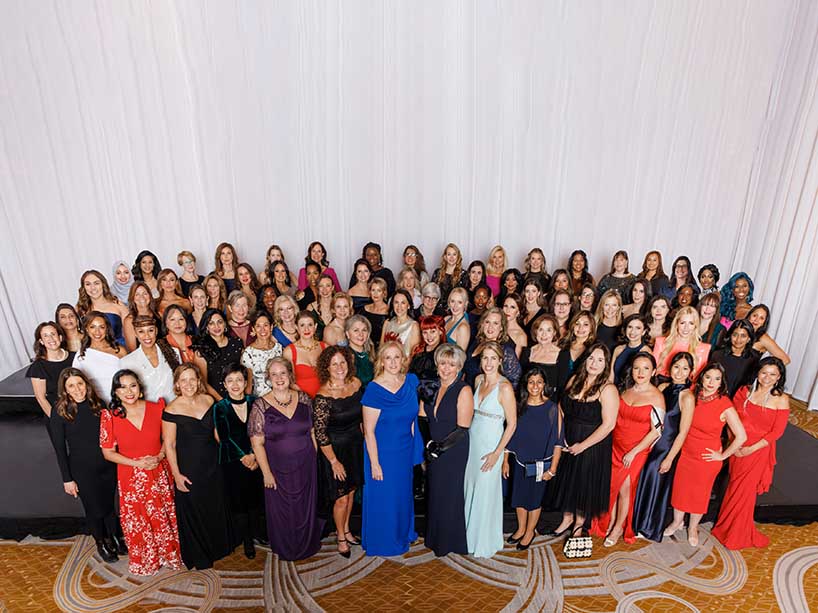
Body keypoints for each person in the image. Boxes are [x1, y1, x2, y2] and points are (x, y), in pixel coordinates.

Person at [100, 370, 182, 575]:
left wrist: (159, 456)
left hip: (158, 471)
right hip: (131, 477)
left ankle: (169, 555)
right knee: (139, 519)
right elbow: (108, 453)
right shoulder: (109, 416)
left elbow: (168, 440)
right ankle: (147, 559)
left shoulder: (158, 408)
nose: (129, 391)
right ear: (116, 392)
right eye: (123, 387)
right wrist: (136, 463)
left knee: (163, 514)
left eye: (133, 385)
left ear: (140, 387)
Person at [249, 357, 324, 561]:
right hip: (277, 469)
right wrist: (266, 473)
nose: (279, 378)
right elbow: (257, 444)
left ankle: (307, 543)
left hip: (306, 464)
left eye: (283, 373)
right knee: (282, 510)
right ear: (268, 378)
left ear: (290, 375)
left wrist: (314, 458)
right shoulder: (260, 405)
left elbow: (311, 432)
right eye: (274, 374)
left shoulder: (304, 399)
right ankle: (287, 547)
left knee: (305, 506)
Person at [711, 357, 790, 549]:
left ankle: (736, 534)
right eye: (764, 372)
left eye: (773, 374)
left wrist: (750, 449)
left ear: (779, 377)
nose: (767, 377)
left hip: (758, 451)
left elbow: (777, 432)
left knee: (744, 493)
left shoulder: (781, 399)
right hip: (737, 446)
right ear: (757, 372)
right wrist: (734, 444)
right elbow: (732, 419)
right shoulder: (744, 391)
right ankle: (725, 527)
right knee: (733, 487)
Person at [665, 362, 747, 546]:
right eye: (708, 377)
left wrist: (723, 456)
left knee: (699, 494)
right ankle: (677, 521)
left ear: (721, 383)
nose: (711, 382)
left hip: (707, 458)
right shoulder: (692, 395)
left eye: (717, 379)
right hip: (686, 453)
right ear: (701, 377)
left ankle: (693, 527)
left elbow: (741, 436)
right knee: (680, 489)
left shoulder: (724, 404)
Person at [163, 364, 235, 570]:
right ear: (177, 383)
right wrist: (176, 475)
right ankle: (200, 553)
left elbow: (217, 434)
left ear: (198, 380)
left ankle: (219, 546)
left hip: (213, 463)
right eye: (183, 380)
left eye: (192, 379)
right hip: (189, 467)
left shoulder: (209, 400)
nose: (188, 384)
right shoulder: (171, 409)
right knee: (195, 509)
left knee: (214, 504)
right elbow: (170, 445)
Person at [590, 354, 664, 545]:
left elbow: (656, 432)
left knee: (625, 489)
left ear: (653, 372)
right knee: (611, 486)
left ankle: (617, 529)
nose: (640, 372)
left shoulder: (656, 397)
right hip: (616, 446)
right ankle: (609, 522)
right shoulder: (625, 391)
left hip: (637, 450)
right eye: (637, 368)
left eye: (646, 368)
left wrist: (634, 452)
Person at [50, 368, 121, 562]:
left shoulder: (99, 405)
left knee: (109, 504)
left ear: (86, 384)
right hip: (82, 469)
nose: (77, 389)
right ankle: (101, 541)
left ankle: (114, 536)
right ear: (65, 389)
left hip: (107, 465)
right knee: (94, 508)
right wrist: (67, 479)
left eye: (80, 383)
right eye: (71, 386)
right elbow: (59, 449)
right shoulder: (60, 412)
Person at [361, 341, 424, 556]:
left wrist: (417, 453)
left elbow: (413, 420)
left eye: (397, 357)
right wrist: (375, 463)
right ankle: (384, 541)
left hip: (404, 451)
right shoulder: (374, 389)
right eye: (388, 358)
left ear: (403, 359)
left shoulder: (410, 382)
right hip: (382, 453)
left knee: (402, 495)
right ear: (381, 361)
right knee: (384, 498)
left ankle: (403, 533)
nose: (393, 362)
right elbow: (369, 432)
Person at [551, 344, 619, 539]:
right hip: (568, 439)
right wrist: (560, 436)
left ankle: (579, 524)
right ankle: (567, 518)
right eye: (591, 358)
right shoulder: (574, 380)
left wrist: (583, 446)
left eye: (600, 360)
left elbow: (609, 425)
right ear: (585, 359)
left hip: (592, 445)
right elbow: (561, 408)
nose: (594, 364)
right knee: (568, 481)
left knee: (583, 484)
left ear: (606, 364)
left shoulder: (608, 388)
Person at [632, 352, 695, 541]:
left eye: (685, 368)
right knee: (642, 480)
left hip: (667, 447)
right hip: (650, 440)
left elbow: (683, 432)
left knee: (655, 484)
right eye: (677, 366)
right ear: (670, 367)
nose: (679, 372)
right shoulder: (662, 386)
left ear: (691, 372)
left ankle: (648, 527)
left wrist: (669, 458)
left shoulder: (688, 397)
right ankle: (636, 523)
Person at [463, 341, 517, 558]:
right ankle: (467, 536)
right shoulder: (477, 380)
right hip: (472, 442)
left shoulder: (505, 388)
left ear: (500, 361)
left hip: (491, 445)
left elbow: (512, 424)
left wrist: (498, 454)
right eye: (485, 358)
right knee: (470, 488)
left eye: (493, 358)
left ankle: (483, 540)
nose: (488, 362)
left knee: (486, 492)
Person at [419, 344, 473, 556]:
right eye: (443, 363)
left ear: (459, 366)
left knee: (450, 494)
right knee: (435, 493)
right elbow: (423, 417)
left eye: (452, 364)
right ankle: (435, 537)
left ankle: (450, 541)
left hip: (453, 450)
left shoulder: (463, 389)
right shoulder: (431, 386)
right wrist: (428, 444)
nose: (446, 368)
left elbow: (463, 428)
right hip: (433, 447)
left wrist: (439, 448)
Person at [503, 366, 562, 550]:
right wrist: (505, 461)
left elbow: (558, 442)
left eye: (539, 382)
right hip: (520, 461)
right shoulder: (519, 406)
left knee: (534, 500)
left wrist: (552, 470)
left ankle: (530, 531)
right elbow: (510, 433)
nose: (535, 386)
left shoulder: (552, 409)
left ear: (544, 384)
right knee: (519, 497)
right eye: (531, 382)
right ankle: (521, 529)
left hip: (541, 464)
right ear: (525, 384)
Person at [313, 346, 365, 558]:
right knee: (340, 497)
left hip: (355, 446)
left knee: (351, 491)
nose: (339, 367)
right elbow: (321, 433)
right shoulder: (323, 397)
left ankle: (347, 530)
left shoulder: (356, 384)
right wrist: (334, 462)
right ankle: (341, 537)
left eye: (342, 362)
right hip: (335, 451)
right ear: (327, 367)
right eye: (334, 363)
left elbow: (362, 417)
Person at [213, 363, 264, 559]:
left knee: (255, 497)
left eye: (239, 380)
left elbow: (262, 429)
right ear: (224, 384)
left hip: (257, 457)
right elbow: (225, 437)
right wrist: (244, 456)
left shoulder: (256, 402)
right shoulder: (220, 407)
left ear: (246, 383)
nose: (235, 384)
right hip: (233, 461)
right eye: (230, 380)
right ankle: (247, 540)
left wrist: (254, 455)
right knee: (239, 501)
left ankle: (258, 532)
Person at [119, 316, 180, 403]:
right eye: (141, 331)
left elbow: (180, 382)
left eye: (150, 330)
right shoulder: (127, 362)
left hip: (174, 408)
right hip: (148, 411)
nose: (146, 336)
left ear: (156, 331)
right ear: (135, 334)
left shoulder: (174, 352)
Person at [192, 309, 245, 401]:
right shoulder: (201, 351)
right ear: (206, 327)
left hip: (238, 395)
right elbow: (203, 382)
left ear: (225, 324)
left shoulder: (237, 343)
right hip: (215, 399)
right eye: (211, 323)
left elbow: (244, 373)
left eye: (219, 322)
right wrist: (222, 402)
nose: (216, 326)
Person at [463, 308, 522, 390]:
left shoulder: (505, 350)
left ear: (501, 327)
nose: (490, 327)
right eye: (487, 322)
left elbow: (515, 381)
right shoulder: (477, 341)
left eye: (495, 323)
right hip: (468, 393)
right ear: (482, 324)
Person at [72, 312, 123, 403]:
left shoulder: (119, 350)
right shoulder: (81, 355)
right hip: (96, 404)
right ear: (87, 329)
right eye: (92, 327)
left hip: (121, 400)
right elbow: (76, 383)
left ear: (107, 329)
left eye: (101, 327)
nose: (97, 331)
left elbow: (130, 377)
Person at [27, 322, 75, 418]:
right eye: (46, 336)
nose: (51, 339)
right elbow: (41, 398)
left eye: (53, 334)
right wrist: (55, 420)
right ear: (41, 341)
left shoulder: (75, 357)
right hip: (57, 413)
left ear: (60, 338)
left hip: (80, 409)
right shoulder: (38, 366)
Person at [76, 270, 130, 347]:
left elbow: (130, 334)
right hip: (93, 353)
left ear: (103, 284)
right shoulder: (80, 308)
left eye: (96, 283)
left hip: (119, 351)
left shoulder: (118, 305)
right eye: (88, 284)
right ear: (84, 287)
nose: (93, 288)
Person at [653, 306, 710, 377]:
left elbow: (697, 379)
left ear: (695, 326)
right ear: (676, 324)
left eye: (691, 323)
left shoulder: (703, 348)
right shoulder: (660, 342)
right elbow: (652, 371)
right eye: (682, 323)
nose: (686, 328)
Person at [282, 311, 327, 398]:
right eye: (302, 325)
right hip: (301, 399)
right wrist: (306, 399)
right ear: (296, 327)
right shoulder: (289, 351)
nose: (306, 329)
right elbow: (290, 382)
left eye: (310, 325)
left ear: (315, 326)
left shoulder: (325, 347)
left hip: (325, 397)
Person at [710, 320, 759, 397]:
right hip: (716, 397)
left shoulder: (753, 359)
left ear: (749, 339)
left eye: (743, 336)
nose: (738, 339)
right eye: (735, 335)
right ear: (730, 336)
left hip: (739, 400)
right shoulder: (717, 355)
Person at [241, 311, 283, 396]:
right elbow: (248, 386)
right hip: (260, 400)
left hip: (280, 395)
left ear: (271, 327)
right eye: (258, 326)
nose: (262, 330)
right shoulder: (248, 353)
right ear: (253, 329)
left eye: (266, 325)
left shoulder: (279, 348)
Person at [408, 315, 447, 405]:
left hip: (430, 400)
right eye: (425, 332)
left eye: (433, 331)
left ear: (440, 331)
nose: (429, 336)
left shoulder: (444, 353)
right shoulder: (418, 350)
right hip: (411, 396)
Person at [519, 315, 561, 394]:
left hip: (552, 402)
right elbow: (522, 382)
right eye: (540, 329)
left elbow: (562, 387)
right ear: (535, 331)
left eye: (548, 330)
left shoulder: (562, 355)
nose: (544, 334)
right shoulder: (527, 352)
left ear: (554, 333)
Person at [556, 310, 597, 391]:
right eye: (577, 324)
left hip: (581, 393)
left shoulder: (595, 349)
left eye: (585, 324)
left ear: (591, 328)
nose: (580, 328)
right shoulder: (562, 344)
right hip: (558, 391)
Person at [610, 314, 649, 385]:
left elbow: (644, 381)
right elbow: (611, 375)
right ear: (625, 329)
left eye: (638, 328)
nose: (632, 331)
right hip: (614, 389)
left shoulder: (646, 351)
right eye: (630, 327)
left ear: (643, 332)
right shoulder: (618, 349)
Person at [124, 281, 163, 351]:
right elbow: (132, 349)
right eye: (137, 294)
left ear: (150, 296)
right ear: (132, 298)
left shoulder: (159, 315)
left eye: (145, 294)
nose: (141, 297)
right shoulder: (129, 320)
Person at [382, 289, 421, 357]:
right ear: (392, 304)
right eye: (396, 302)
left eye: (403, 303)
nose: (399, 306)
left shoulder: (414, 325)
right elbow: (381, 349)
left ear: (408, 306)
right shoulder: (387, 323)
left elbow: (413, 355)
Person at [345, 315, 375, 388]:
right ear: (347, 334)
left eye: (364, 330)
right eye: (356, 330)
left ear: (368, 334)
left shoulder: (372, 353)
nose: (361, 334)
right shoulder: (344, 356)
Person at [362, 278, 390, 349]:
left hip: (382, 348)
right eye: (373, 290)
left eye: (379, 290)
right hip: (364, 346)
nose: (375, 293)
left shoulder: (389, 311)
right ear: (370, 292)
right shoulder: (364, 309)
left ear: (384, 293)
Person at [307, 275, 338, 340]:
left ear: (332, 287)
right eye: (321, 286)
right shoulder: (311, 308)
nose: (324, 289)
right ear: (317, 288)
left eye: (328, 286)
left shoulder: (340, 307)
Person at [521, 279, 547, 344]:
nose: (530, 295)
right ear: (524, 293)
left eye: (533, 291)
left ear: (538, 293)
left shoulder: (544, 313)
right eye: (527, 291)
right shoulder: (519, 309)